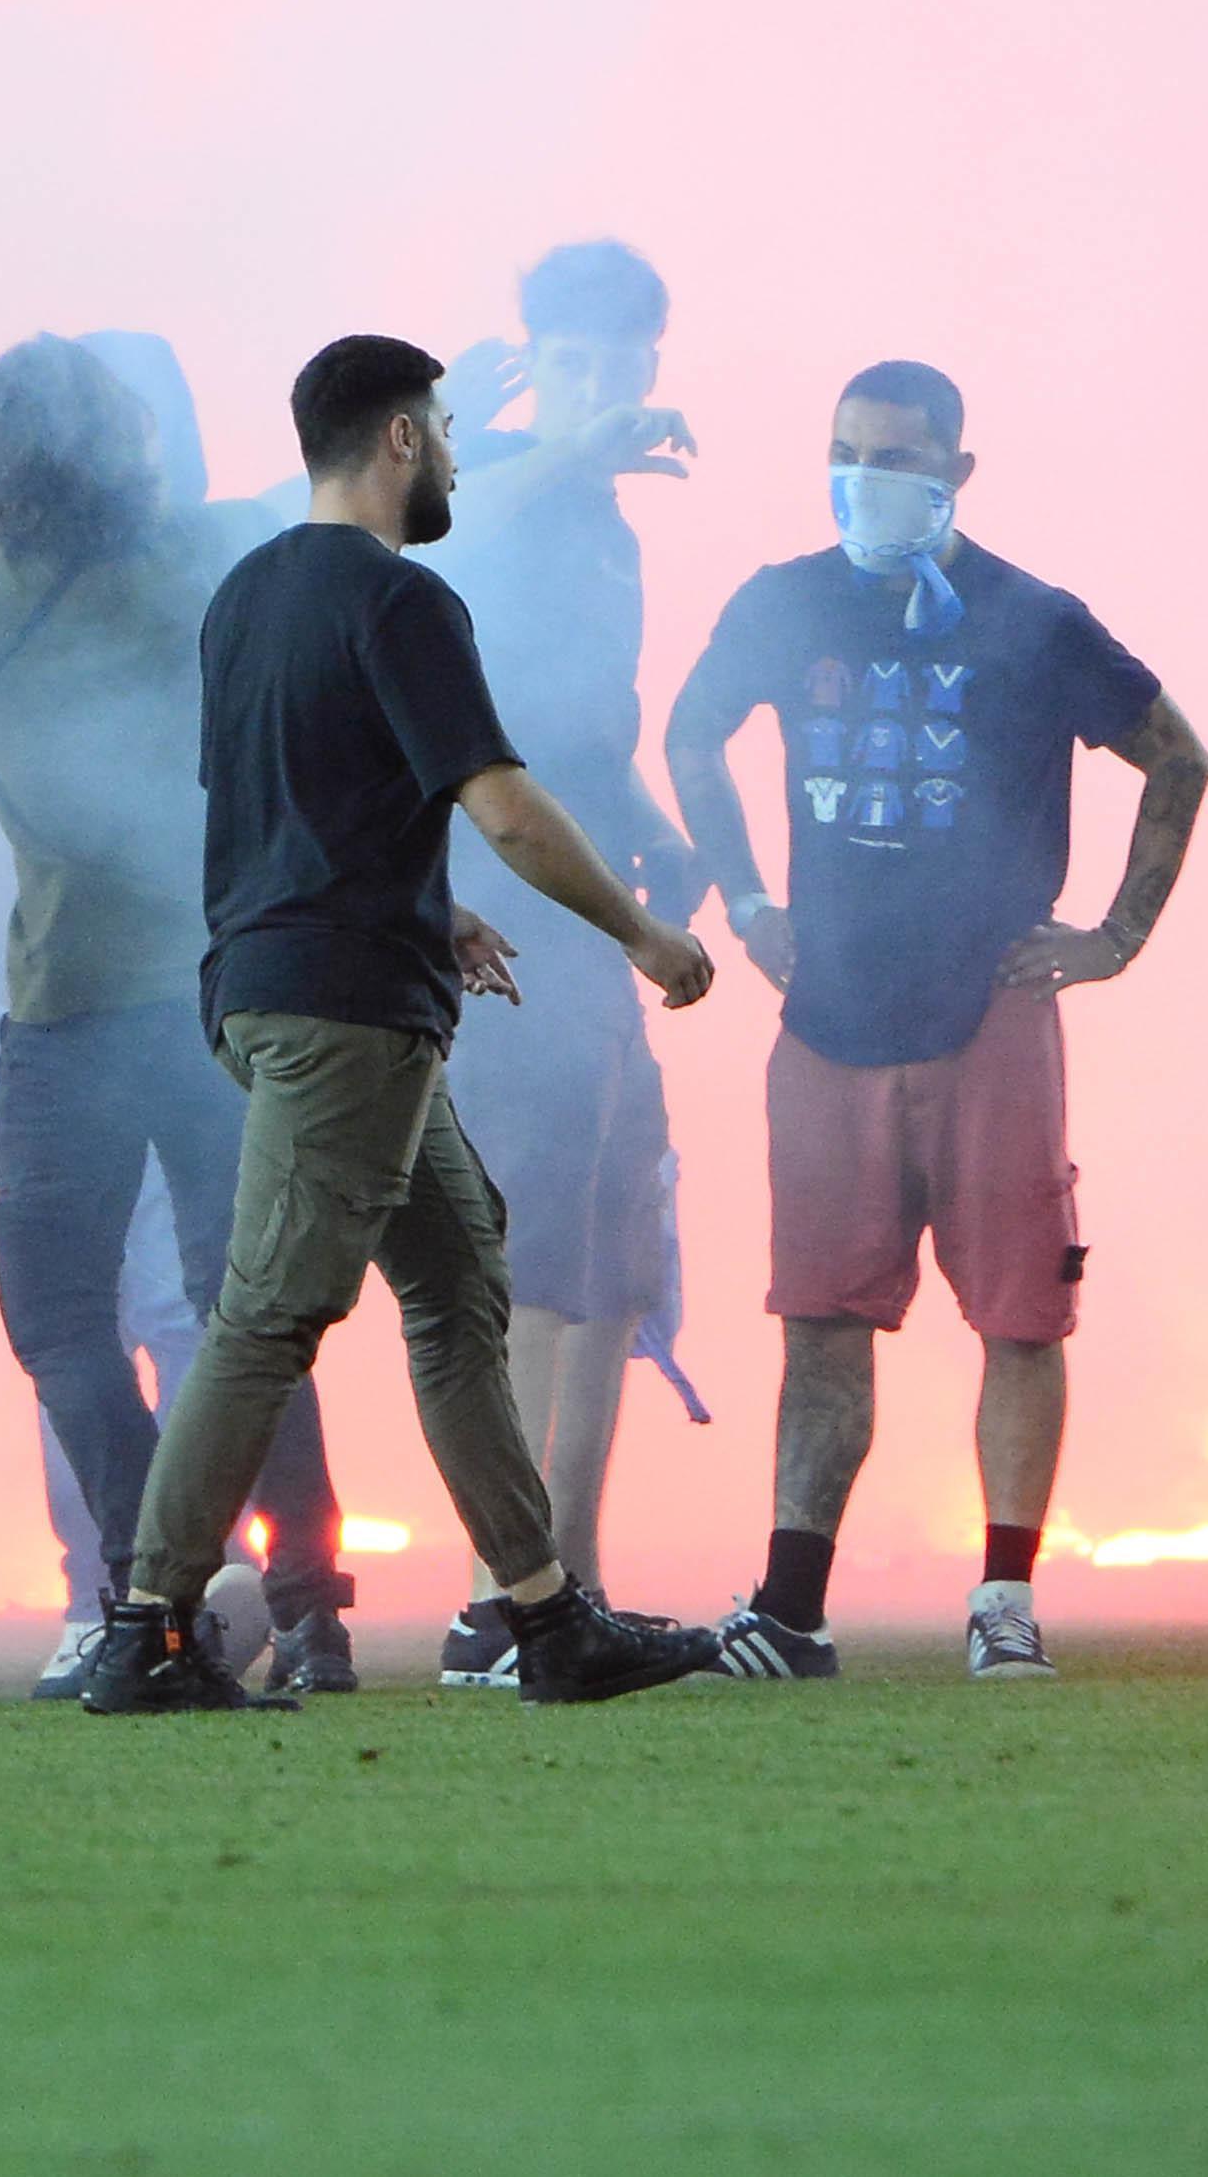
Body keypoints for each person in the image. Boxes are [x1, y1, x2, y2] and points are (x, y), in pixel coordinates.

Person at [78, 333, 721, 1715]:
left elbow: (287, 805)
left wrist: (427, 916)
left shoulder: (243, 594)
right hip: (341, 1017)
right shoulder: (402, 599)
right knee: (263, 1315)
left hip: (304, 989)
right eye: (435, 423)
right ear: (398, 440)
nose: (446, 448)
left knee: (455, 1284)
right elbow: (502, 803)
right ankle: (146, 1629)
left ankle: (542, 1617)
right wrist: (642, 932)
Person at [0, 331, 356, 1698]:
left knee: (61, 1312)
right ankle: (308, 1608)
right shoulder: (219, 546)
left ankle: (146, 1590)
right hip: (230, 992)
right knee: (249, 1310)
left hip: (66, 1007)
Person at [666, 360, 1202, 1682]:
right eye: (846, 451)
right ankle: (790, 1609)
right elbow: (688, 731)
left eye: (898, 456)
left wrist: (1114, 939)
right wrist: (740, 896)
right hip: (828, 1015)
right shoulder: (783, 600)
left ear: (956, 470)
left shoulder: (1030, 618)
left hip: (989, 1017)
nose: (867, 477)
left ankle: (1002, 1598)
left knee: (1019, 1314)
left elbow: (1176, 753)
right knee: (818, 1319)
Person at [418, 243, 707, 1686]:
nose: (601, 384)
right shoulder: (490, 485)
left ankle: (572, 1575)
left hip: (594, 916)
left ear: (653, 362)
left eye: (621, 359)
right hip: (491, 905)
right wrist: (560, 446)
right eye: (570, 356)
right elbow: (431, 542)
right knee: (520, 1237)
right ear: (533, 357)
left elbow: (592, 724)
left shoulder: (611, 530)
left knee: (609, 1238)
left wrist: (657, 825)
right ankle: (496, 1592)